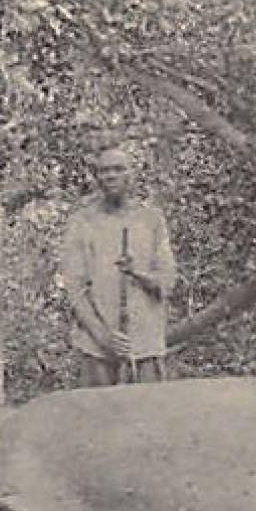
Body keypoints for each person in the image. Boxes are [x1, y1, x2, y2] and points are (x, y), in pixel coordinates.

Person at [58, 145, 178, 386]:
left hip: (145, 345)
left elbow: (167, 280)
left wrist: (137, 273)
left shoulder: (151, 219)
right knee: (97, 420)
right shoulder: (81, 222)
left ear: (131, 174)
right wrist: (104, 338)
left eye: (118, 169)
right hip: (98, 350)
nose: (110, 176)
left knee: (147, 419)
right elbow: (75, 291)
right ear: (97, 176)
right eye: (104, 171)